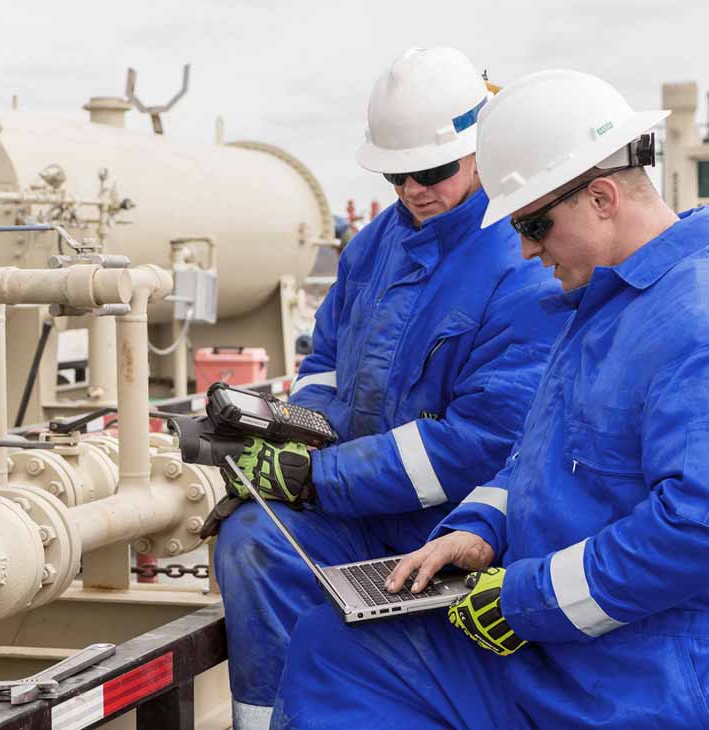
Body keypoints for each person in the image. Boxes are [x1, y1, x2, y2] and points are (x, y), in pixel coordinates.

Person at [271, 68, 709, 729]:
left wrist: (525, 598)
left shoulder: (691, 319)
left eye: (533, 223)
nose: (527, 250)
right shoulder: (601, 302)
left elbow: (694, 529)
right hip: (560, 644)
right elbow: (535, 457)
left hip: (637, 670)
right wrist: (479, 531)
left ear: (601, 198)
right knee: (332, 647)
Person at [211, 48, 569, 729]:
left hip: (458, 529)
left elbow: (482, 441)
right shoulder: (374, 246)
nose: (412, 189)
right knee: (255, 540)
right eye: (395, 172)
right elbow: (324, 364)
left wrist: (318, 479)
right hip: (358, 509)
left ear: (480, 148)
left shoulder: (524, 264)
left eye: (431, 171)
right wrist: (299, 435)